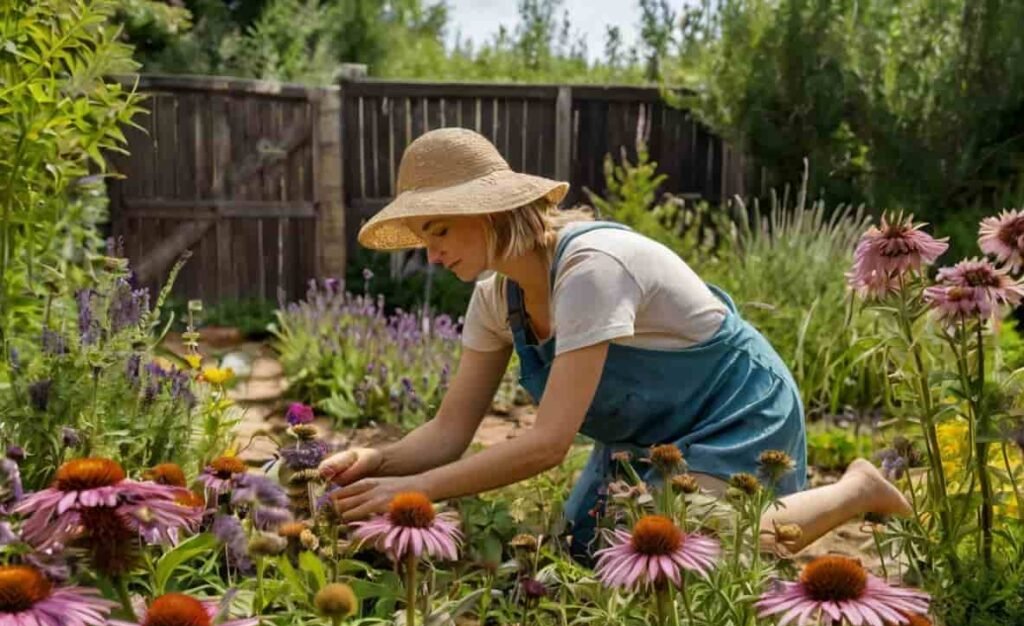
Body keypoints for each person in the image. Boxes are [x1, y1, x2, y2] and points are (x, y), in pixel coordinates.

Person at [319, 127, 909, 560]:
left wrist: (411, 491)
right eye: (425, 238)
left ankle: (858, 487)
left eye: (440, 230)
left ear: (491, 210)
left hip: (735, 407)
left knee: (678, 553)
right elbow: (449, 433)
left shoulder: (592, 268)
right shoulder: (498, 300)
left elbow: (547, 445)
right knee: (583, 556)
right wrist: (378, 462)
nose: (432, 254)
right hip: (645, 438)